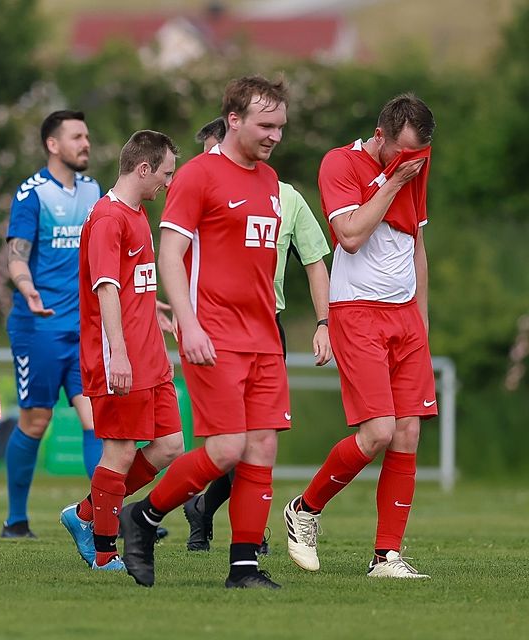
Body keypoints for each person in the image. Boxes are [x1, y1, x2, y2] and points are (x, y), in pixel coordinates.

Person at [120, 76, 290, 589]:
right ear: (233, 119)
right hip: (213, 334)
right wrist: (188, 323)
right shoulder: (197, 175)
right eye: (265, 125)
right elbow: (168, 253)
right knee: (226, 449)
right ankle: (143, 516)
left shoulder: (269, 179)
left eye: (280, 126)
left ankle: (243, 568)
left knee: (262, 447)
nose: (274, 135)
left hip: (263, 335)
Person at [283, 94, 436, 579]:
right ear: (380, 135)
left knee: (408, 432)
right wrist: (391, 183)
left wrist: (423, 322)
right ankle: (304, 509)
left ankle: (385, 556)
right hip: (358, 314)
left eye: (419, 154)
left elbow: (417, 244)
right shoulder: (339, 163)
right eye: (402, 152)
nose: (411, 161)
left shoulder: (412, 166)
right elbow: (349, 234)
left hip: (405, 316)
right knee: (378, 432)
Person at [183, 117, 332, 552]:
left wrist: (324, 323)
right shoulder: (200, 193)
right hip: (215, 326)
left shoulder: (285, 197)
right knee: (230, 439)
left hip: (268, 326)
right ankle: (238, 528)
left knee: (259, 438)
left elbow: (315, 260)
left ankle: (212, 512)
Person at [59, 130, 185, 571]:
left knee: (170, 445)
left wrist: (156, 312)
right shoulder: (108, 218)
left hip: (150, 352)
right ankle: (105, 551)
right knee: (121, 451)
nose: (168, 183)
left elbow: (131, 285)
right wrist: (118, 353)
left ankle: (86, 514)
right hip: (120, 357)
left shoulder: (137, 214)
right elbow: (106, 287)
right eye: (166, 174)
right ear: (144, 168)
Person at [3, 110, 102, 539]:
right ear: (52, 144)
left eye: (87, 136)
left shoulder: (95, 191)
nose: (86, 143)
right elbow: (16, 255)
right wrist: (27, 288)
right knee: (35, 422)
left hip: (83, 327)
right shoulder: (33, 194)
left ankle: (105, 515)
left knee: (97, 420)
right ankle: (15, 519)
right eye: (77, 136)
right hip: (39, 327)